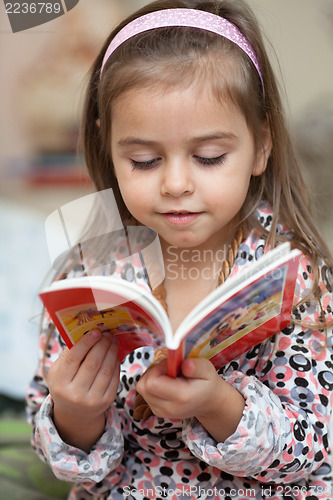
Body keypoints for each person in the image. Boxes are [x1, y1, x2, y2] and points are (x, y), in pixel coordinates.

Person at [26, 0, 333, 499]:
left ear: (260, 145)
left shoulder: (298, 277)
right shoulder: (86, 275)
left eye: (209, 157)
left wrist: (219, 406)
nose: (175, 183)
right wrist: (75, 415)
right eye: (144, 161)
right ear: (110, 149)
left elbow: (316, 442)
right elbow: (70, 463)